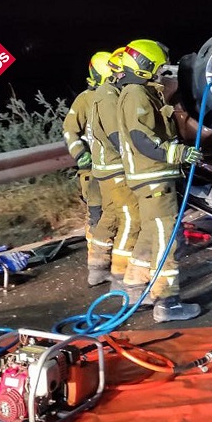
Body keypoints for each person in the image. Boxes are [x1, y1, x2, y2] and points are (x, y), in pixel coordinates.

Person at [117, 38, 203, 322]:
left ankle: (134, 287)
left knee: (152, 235)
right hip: (154, 180)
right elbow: (142, 137)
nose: (159, 73)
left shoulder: (136, 93)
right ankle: (168, 303)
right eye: (157, 68)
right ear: (144, 66)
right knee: (168, 240)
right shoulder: (136, 95)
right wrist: (177, 152)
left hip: (148, 180)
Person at [85, 47, 141, 289]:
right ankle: (120, 275)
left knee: (110, 216)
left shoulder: (100, 95)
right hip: (115, 169)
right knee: (132, 220)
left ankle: (97, 269)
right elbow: (116, 136)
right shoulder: (108, 98)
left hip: (104, 169)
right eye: (118, 72)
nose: (121, 75)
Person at [62, 53, 106, 248]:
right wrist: (80, 154)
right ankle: (98, 261)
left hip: (115, 168)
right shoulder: (85, 100)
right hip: (92, 171)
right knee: (97, 216)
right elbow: (70, 130)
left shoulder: (116, 96)